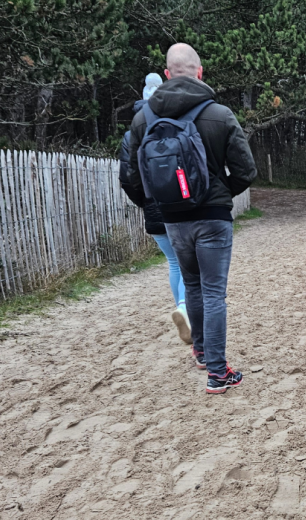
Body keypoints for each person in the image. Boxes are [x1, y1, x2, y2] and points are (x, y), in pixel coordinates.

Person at [125, 43, 257, 394]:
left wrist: (156, 203)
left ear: (167, 74)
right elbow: (246, 170)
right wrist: (220, 195)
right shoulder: (220, 114)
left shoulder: (143, 118)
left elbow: (130, 177)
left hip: (173, 219)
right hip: (212, 218)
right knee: (214, 292)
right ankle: (217, 372)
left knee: (194, 287)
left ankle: (200, 352)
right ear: (200, 72)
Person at [118, 73, 192, 345]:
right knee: (187, 264)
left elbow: (128, 179)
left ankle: (182, 309)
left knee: (173, 263)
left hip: (153, 210)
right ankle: (186, 310)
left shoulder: (132, 133)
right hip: (181, 208)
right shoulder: (180, 124)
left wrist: (147, 202)